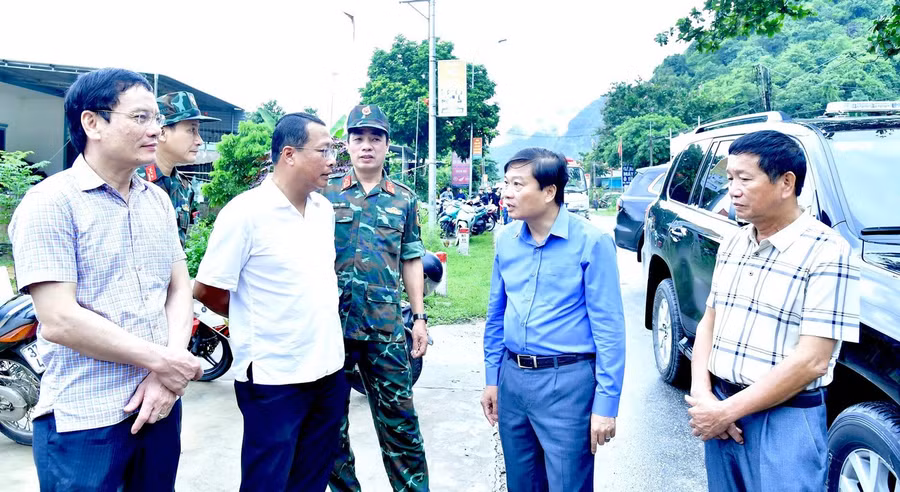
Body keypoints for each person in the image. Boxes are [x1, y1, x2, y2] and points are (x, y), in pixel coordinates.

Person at [9, 68, 203, 490]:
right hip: (86, 418)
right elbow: (60, 319)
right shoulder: (51, 204)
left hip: (158, 406)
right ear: (92, 123)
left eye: (157, 119)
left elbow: (177, 290)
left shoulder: (157, 203)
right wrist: (164, 363)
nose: (156, 129)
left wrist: (165, 372)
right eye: (140, 118)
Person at [687, 130, 860, 491]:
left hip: (785, 420)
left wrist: (724, 413)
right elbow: (710, 322)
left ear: (786, 183)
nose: (732, 189)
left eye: (744, 179)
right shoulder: (734, 241)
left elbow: (812, 360)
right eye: (730, 178)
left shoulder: (827, 251)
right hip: (722, 412)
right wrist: (703, 395)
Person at [193, 112, 346, 492]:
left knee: (311, 477)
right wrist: (253, 317)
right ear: (289, 154)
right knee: (268, 482)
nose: (333, 161)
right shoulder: (246, 213)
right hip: (275, 377)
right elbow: (207, 288)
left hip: (327, 369)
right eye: (324, 151)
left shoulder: (323, 211)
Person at [481, 147, 626, 492]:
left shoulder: (592, 243)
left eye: (518, 184)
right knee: (522, 483)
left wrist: (606, 405)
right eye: (505, 183)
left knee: (567, 484)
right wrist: (492, 378)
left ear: (549, 192)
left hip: (567, 384)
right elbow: (496, 315)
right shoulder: (506, 242)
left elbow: (609, 330)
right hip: (513, 380)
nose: (507, 192)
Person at [323, 104, 430, 492]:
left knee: (401, 425)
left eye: (375, 139)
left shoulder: (403, 199)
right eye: (358, 138)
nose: (366, 146)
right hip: (331, 327)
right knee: (330, 427)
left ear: (387, 145)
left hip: (384, 329)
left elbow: (412, 258)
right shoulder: (325, 192)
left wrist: (418, 318)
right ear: (347, 145)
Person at [137, 91, 219, 246]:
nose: (199, 140)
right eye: (191, 130)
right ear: (162, 132)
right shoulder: (134, 182)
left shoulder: (185, 188)